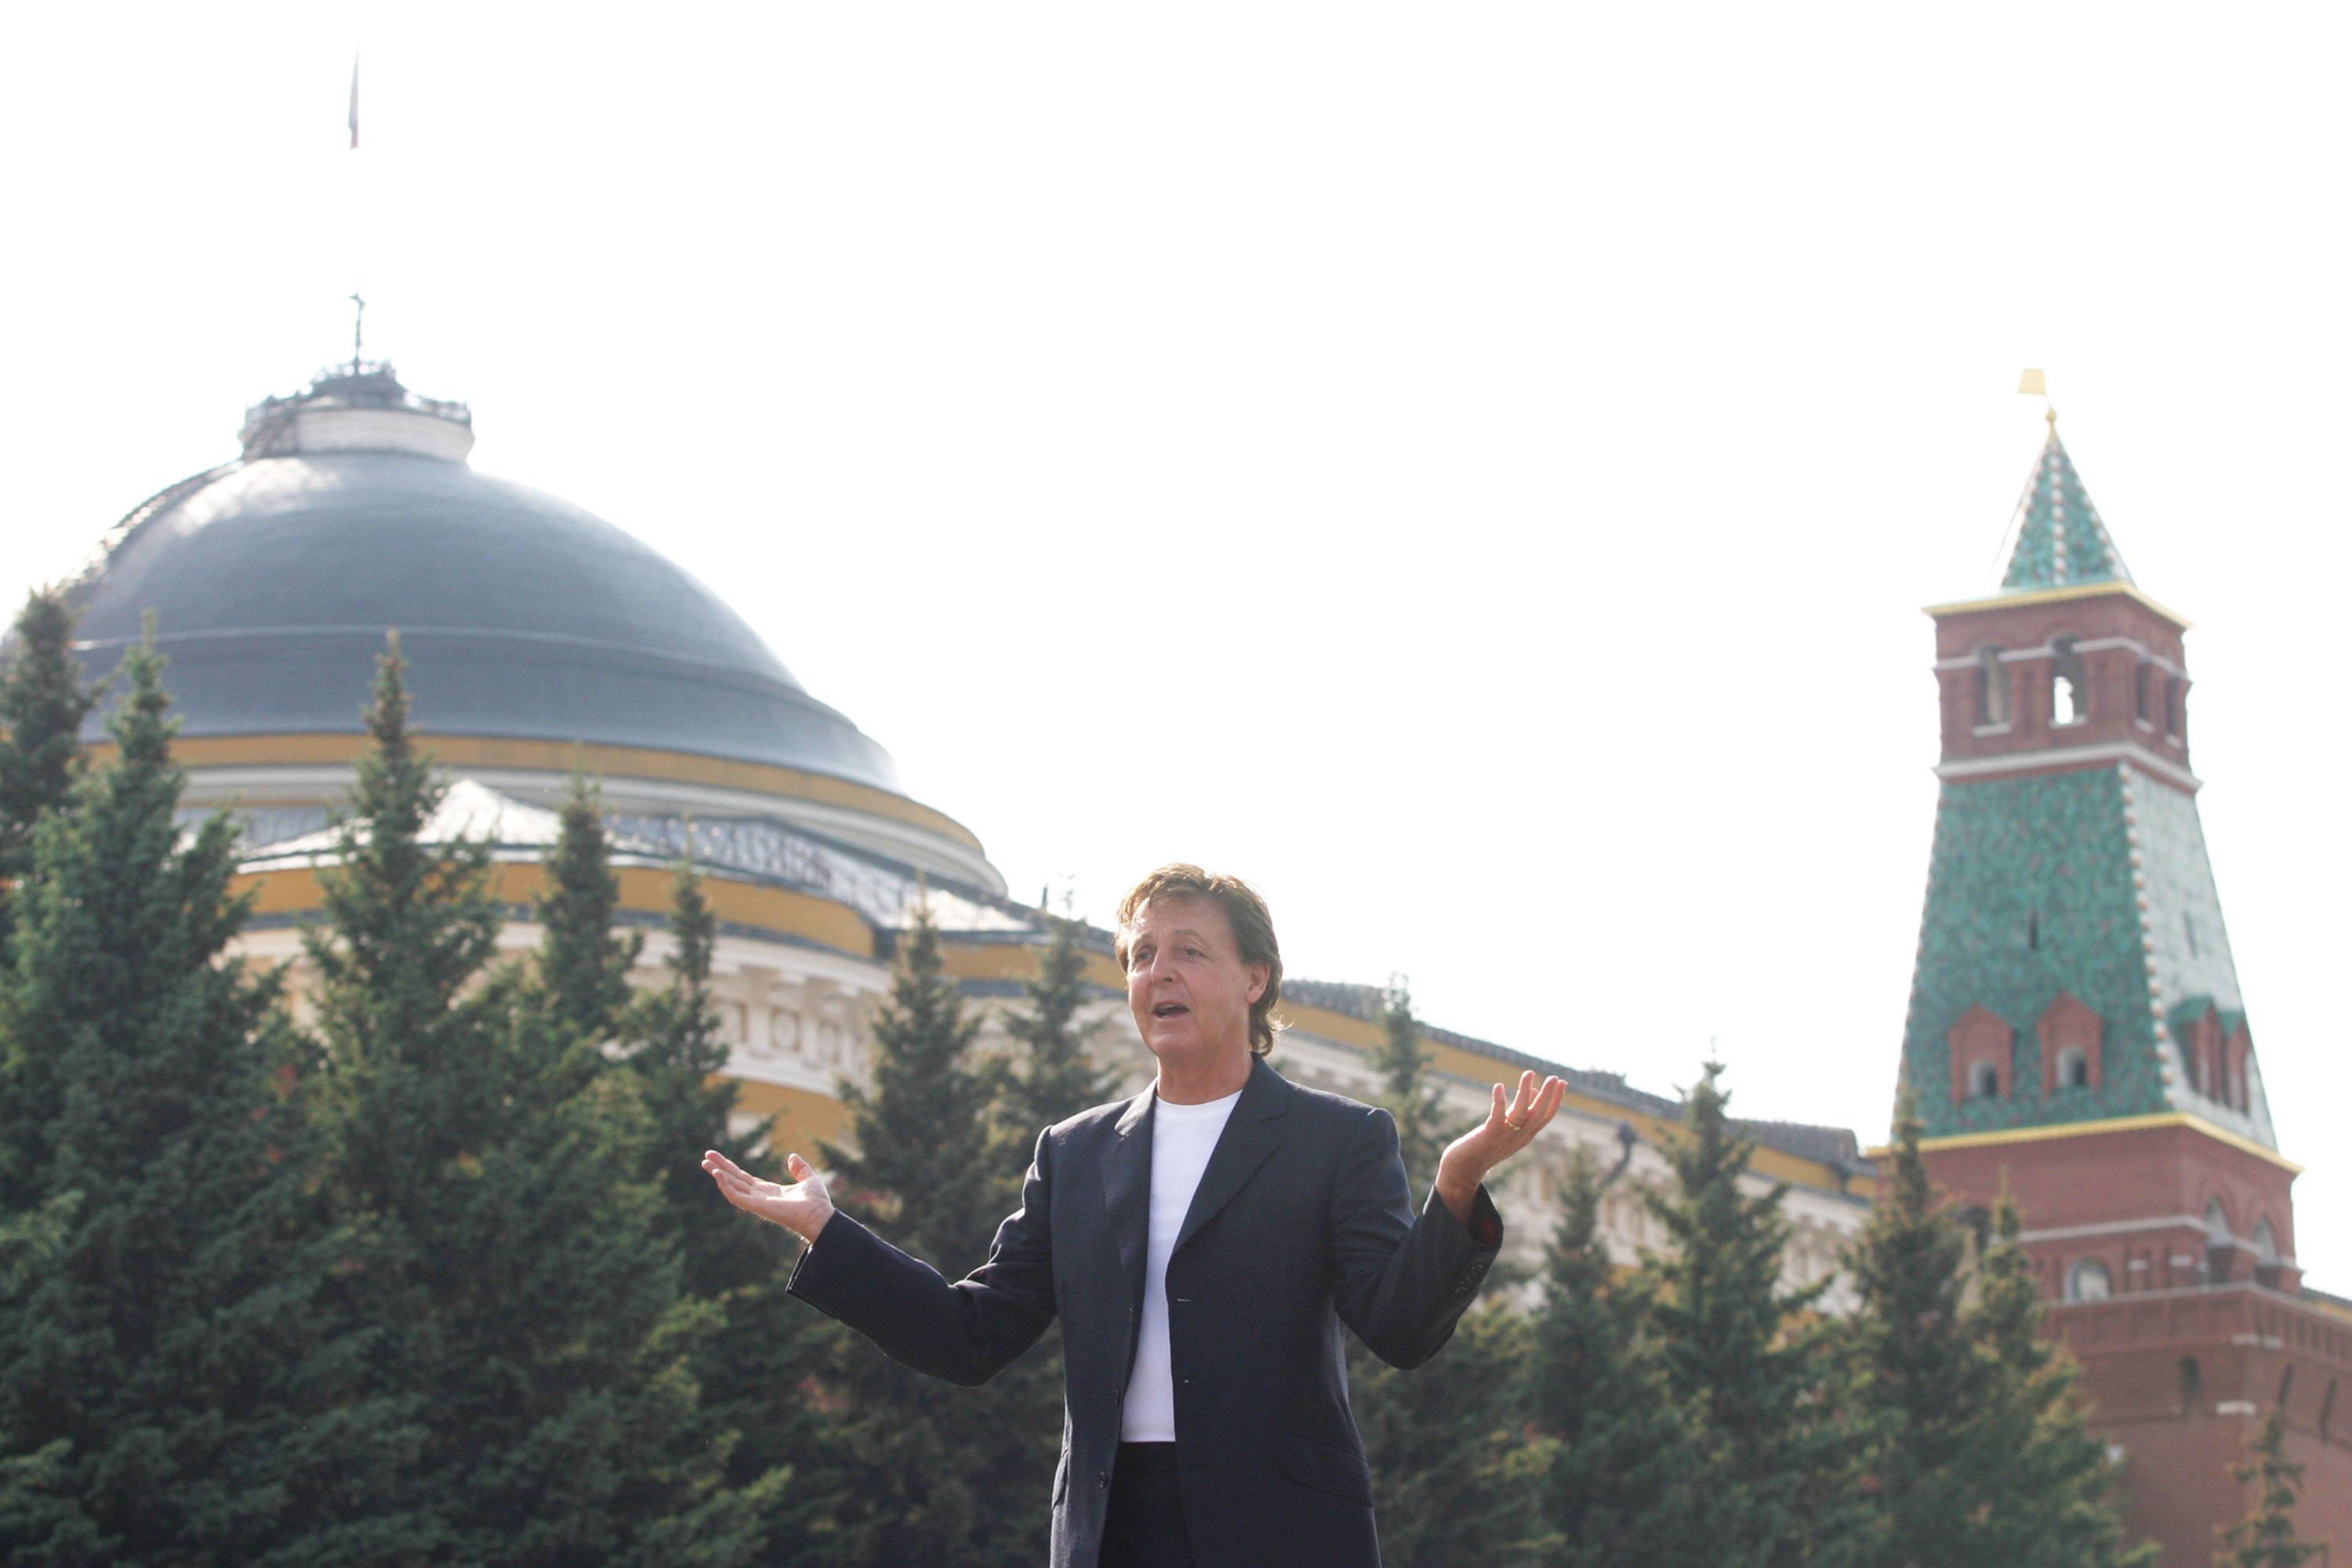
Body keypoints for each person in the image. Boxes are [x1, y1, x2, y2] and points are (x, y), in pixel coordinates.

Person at [702, 864, 1564, 1568]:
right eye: (1142, 954)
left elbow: (1402, 1327)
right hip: (1109, 1529)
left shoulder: (1336, 1139)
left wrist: (1455, 1184)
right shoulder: (1076, 1152)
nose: (1160, 971)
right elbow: (968, 1334)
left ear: (1255, 979)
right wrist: (826, 1228)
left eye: (1189, 950)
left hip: (1280, 1530)